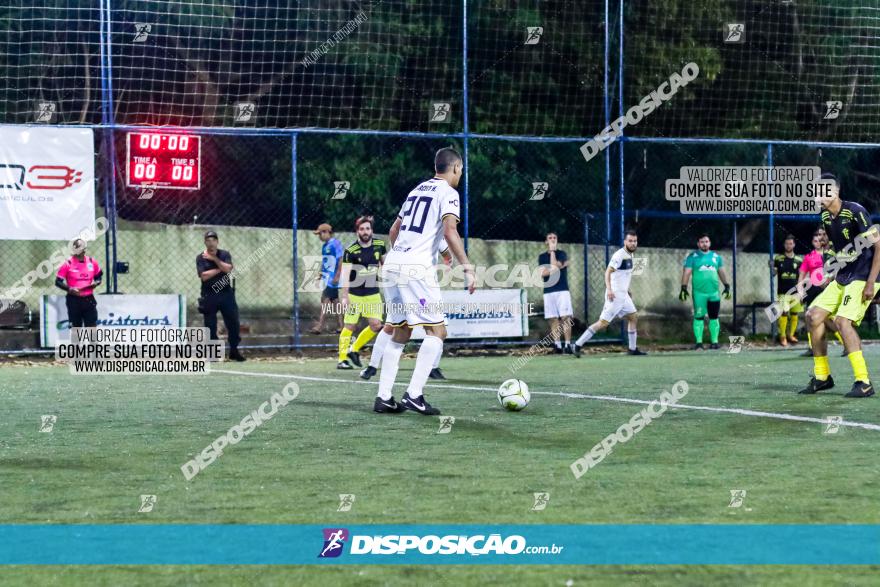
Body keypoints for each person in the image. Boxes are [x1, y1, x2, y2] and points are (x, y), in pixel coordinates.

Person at [373, 147, 474, 415]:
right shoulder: (449, 193)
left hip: (393, 264)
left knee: (401, 331)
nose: (460, 174)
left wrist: (402, 255)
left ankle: (383, 397)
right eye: (461, 170)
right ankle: (414, 394)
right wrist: (468, 267)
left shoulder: (416, 190)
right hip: (416, 270)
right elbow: (451, 231)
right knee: (438, 331)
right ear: (454, 168)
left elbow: (394, 230)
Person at [798, 173, 878, 398]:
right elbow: (837, 247)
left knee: (843, 322)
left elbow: (878, 246)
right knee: (812, 316)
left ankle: (864, 382)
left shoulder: (855, 212)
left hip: (863, 276)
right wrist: (830, 272)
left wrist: (871, 282)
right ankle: (823, 378)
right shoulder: (825, 215)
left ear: (835, 191)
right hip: (843, 276)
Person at [360, 241, 452, 381]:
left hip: (412, 282)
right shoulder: (426, 230)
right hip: (412, 283)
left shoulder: (412, 229)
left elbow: (394, 231)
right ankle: (373, 367)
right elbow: (447, 253)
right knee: (393, 327)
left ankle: (432, 368)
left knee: (435, 327)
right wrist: (449, 260)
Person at [572, 230, 646, 357]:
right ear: (625, 242)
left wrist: (627, 290)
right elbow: (608, 272)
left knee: (633, 317)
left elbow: (622, 275)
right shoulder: (619, 255)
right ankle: (577, 344)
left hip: (624, 295)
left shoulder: (630, 255)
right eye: (630, 241)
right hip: (615, 295)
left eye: (635, 241)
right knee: (603, 323)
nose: (633, 243)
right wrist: (610, 290)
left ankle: (632, 349)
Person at [337, 216, 386, 369]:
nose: (365, 232)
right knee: (350, 326)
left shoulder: (380, 245)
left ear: (372, 230)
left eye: (368, 228)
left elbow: (386, 265)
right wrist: (344, 297)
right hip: (354, 294)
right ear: (357, 231)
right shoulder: (350, 251)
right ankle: (342, 359)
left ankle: (354, 349)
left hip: (373, 294)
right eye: (362, 229)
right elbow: (345, 275)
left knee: (376, 325)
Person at [197, 230, 244, 362]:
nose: (211, 243)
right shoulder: (200, 257)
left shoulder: (224, 254)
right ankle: (212, 354)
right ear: (205, 242)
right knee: (210, 325)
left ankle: (234, 351)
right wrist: (220, 268)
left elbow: (228, 269)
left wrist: (214, 260)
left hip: (226, 293)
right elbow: (204, 276)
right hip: (209, 294)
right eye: (208, 240)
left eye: (213, 240)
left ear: (217, 241)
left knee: (233, 322)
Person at [679, 233, 731, 350]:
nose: (704, 244)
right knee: (699, 316)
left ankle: (714, 342)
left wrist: (726, 285)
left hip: (714, 293)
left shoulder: (716, 257)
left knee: (714, 317)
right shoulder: (692, 257)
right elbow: (686, 272)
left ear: (710, 243)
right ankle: (699, 343)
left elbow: (721, 271)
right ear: (698, 244)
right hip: (699, 294)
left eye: (706, 241)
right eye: (702, 242)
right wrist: (683, 287)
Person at [798, 229, 844, 357]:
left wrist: (831, 280)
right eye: (815, 239)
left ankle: (845, 342)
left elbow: (838, 269)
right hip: (813, 290)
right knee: (811, 318)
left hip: (828, 289)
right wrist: (801, 291)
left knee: (830, 318)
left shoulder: (831, 254)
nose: (818, 241)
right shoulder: (809, 257)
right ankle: (812, 347)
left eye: (820, 238)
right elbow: (802, 275)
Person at [55, 239, 102, 330]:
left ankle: (94, 344)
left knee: (92, 326)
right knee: (76, 328)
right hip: (74, 300)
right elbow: (58, 282)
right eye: (77, 247)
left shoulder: (92, 262)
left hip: (89, 299)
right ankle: (76, 344)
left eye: (82, 247)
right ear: (73, 249)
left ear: (85, 249)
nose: (80, 250)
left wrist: (97, 282)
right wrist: (70, 289)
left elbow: (99, 277)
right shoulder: (68, 263)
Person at [538, 232, 573, 353]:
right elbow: (544, 273)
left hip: (562, 290)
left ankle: (568, 345)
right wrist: (556, 267)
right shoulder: (542, 257)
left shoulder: (561, 254)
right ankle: (557, 346)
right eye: (550, 238)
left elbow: (552, 266)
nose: (552, 240)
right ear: (546, 242)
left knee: (565, 317)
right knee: (553, 319)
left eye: (554, 238)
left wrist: (553, 252)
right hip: (549, 291)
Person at [309, 223, 344, 334]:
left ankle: (319, 327)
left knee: (325, 299)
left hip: (333, 279)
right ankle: (342, 326)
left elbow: (341, 259)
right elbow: (325, 262)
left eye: (320, 234)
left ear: (326, 232)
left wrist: (337, 275)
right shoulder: (325, 246)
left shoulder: (335, 244)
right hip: (327, 278)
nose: (319, 236)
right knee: (335, 302)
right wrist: (320, 274)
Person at [771, 235, 804, 347]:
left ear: (794, 245)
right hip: (783, 292)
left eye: (790, 243)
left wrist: (801, 291)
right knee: (784, 313)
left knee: (795, 314)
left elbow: (801, 276)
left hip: (795, 292)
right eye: (786, 243)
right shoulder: (778, 258)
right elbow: (773, 273)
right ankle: (783, 336)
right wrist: (771, 267)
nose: (788, 245)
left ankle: (791, 335)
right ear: (784, 245)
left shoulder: (799, 260)